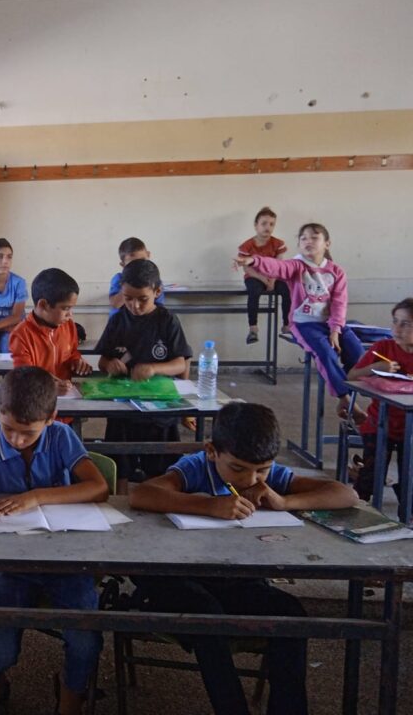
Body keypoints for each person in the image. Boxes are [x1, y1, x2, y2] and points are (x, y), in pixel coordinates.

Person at [130, 402, 356, 715]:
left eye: (262, 470)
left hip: (233, 581)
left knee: (292, 616)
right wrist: (209, 506)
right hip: (177, 580)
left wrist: (285, 501)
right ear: (212, 451)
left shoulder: (269, 477)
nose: (251, 479)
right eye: (238, 469)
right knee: (207, 616)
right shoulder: (196, 467)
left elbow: (345, 494)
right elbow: (141, 494)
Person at [0, 366, 108, 715]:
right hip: (12, 561)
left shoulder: (61, 437)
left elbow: (99, 487)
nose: (16, 439)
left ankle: (71, 692)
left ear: (51, 418)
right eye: (8, 428)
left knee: (85, 640)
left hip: (67, 560)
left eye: (28, 432)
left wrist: (37, 496)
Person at [235, 222, 366, 422]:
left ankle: (349, 389)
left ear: (327, 243)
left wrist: (335, 330)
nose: (308, 241)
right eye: (303, 238)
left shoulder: (336, 271)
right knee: (325, 353)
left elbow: (340, 303)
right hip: (304, 324)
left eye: (314, 237)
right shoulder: (297, 266)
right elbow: (277, 266)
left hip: (331, 322)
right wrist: (253, 260)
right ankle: (345, 399)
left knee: (359, 354)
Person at [97, 259, 192, 488]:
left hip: (159, 408)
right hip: (122, 407)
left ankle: (155, 497)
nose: (135, 305)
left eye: (143, 299)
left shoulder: (167, 320)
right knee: (119, 464)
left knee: (160, 467)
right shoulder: (118, 320)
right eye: (128, 298)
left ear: (157, 292)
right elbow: (102, 361)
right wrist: (110, 365)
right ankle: (119, 499)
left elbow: (181, 363)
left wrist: (154, 368)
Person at [346, 297, 413, 501]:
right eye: (395, 321)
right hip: (379, 423)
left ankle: (406, 508)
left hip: (410, 427)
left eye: (406, 324)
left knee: (410, 476)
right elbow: (352, 376)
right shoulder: (383, 347)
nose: (397, 329)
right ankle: (360, 505)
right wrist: (376, 367)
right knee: (371, 474)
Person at [9, 268, 91, 397]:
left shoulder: (68, 325)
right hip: (38, 401)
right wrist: (48, 387)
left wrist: (76, 362)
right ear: (43, 305)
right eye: (65, 308)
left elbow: (72, 353)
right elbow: (25, 377)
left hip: (67, 399)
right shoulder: (21, 335)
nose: (70, 314)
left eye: (71, 308)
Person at [237, 206, 292, 343]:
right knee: (254, 291)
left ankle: (287, 325)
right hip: (254, 276)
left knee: (287, 289)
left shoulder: (278, 243)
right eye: (264, 223)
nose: (268, 227)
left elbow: (279, 264)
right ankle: (253, 328)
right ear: (256, 225)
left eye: (272, 224)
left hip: (274, 276)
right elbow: (247, 269)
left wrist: (272, 280)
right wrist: (262, 279)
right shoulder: (247, 246)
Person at [109, 237, 165, 315]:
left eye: (142, 260)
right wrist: (127, 288)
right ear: (123, 265)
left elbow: (158, 307)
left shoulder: (153, 280)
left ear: (148, 255)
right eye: (132, 263)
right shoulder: (118, 279)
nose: (138, 266)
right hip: (121, 320)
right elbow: (115, 304)